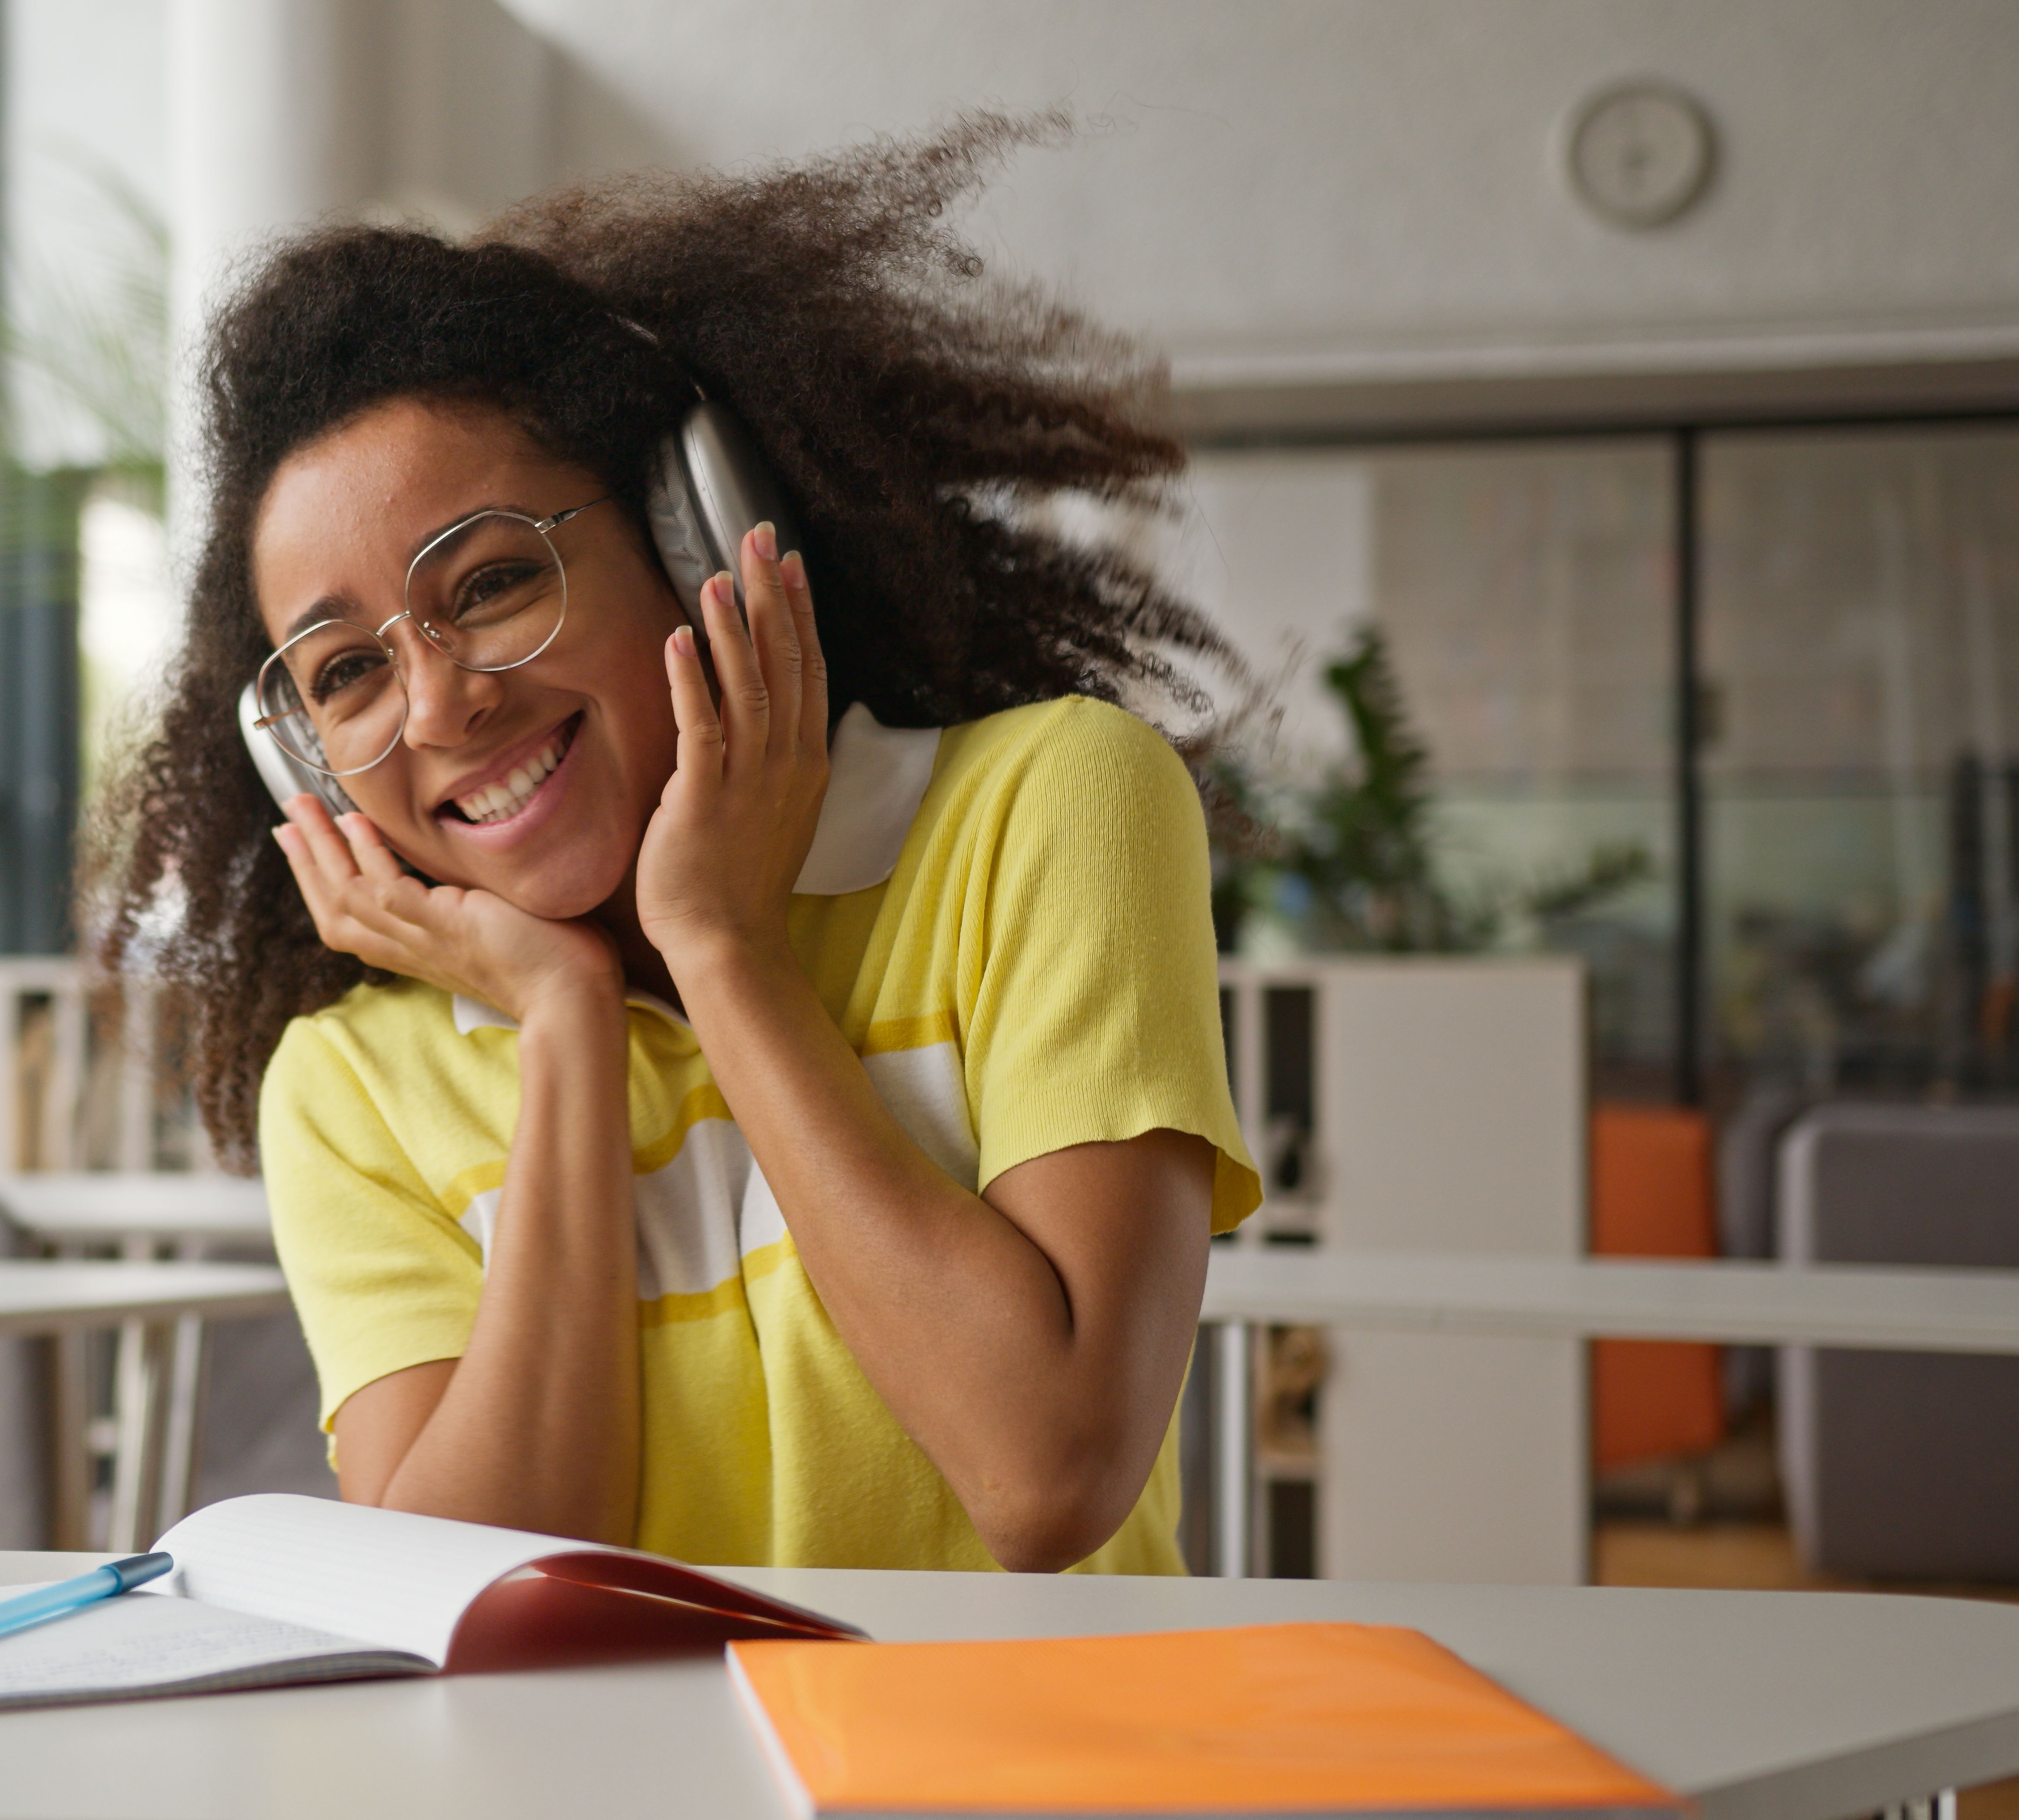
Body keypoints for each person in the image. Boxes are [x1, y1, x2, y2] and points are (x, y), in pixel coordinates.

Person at [92, 117, 1260, 1575]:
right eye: (346, 674)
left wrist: (723, 948)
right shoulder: (353, 1086)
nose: (440, 705)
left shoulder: (1049, 808)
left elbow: (1046, 1477)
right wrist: (568, 1028)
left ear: (694, 535)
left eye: (494, 581)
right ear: (305, 763)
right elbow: (471, 1595)